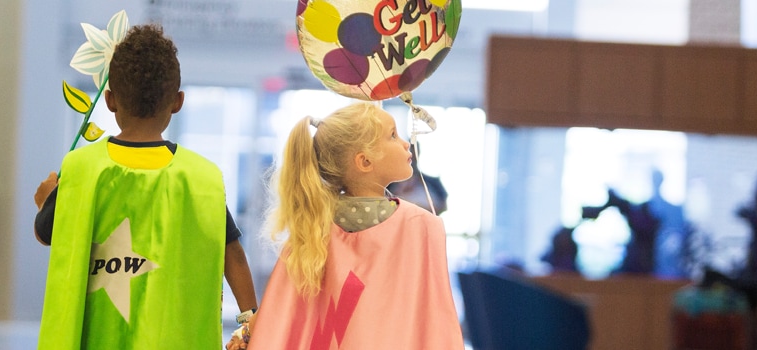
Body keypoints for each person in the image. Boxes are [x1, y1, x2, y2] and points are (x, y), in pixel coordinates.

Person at [32, 24, 258, 349]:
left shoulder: (81, 170)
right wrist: (251, 320)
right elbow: (232, 253)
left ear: (109, 100)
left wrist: (46, 200)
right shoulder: (200, 178)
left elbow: (45, 233)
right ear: (178, 101)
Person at [236, 102, 463, 349]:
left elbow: (279, 321)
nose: (406, 143)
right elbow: (437, 318)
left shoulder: (311, 228)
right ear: (364, 161)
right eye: (393, 135)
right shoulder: (423, 227)